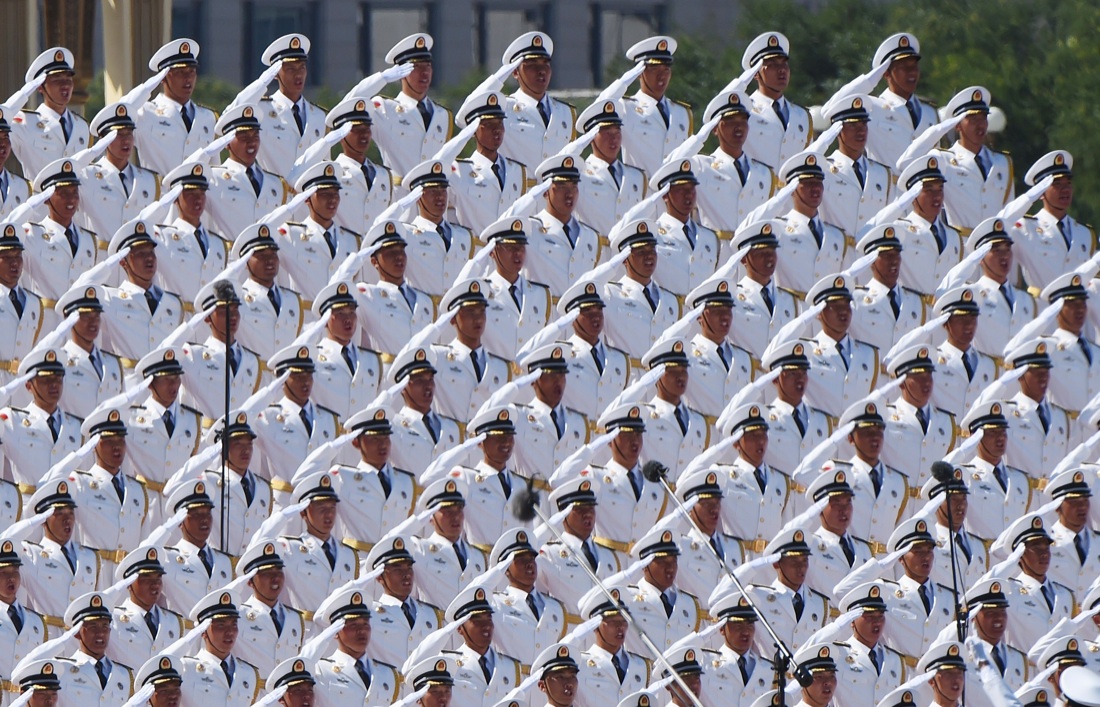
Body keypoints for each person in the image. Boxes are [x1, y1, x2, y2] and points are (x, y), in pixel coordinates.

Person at [252, 346, 340, 504]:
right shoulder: (267, 417)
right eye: (298, 377)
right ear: (282, 379)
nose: (305, 382)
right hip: (285, 501)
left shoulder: (328, 419)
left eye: (308, 376)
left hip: (318, 503)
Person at [68, 407, 147, 578]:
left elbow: (143, 542)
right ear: (94, 445)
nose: (117, 447)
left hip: (127, 576)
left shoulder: (138, 490)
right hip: (94, 572)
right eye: (110, 442)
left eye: (121, 441)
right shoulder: (80, 483)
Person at [126, 346, 201, 519]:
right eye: (167, 379)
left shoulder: (192, 420)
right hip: (145, 505)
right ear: (151, 383)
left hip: (178, 505)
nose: (173, 385)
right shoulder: (132, 419)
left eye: (176, 379)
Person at [329, 405, 415, 550]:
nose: (382, 445)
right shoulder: (343, 478)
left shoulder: (406, 482)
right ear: (356, 442)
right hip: (360, 562)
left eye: (385, 438)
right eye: (374, 439)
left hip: (392, 567)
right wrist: (332, 447)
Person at [693, 90, 775, 238]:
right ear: (715, 129)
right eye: (730, 122)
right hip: (717, 253)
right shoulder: (701, 167)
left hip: (752, 254)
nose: (738, 127)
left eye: (743, 121)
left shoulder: (764, 173)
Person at [370, 33, 452, 179]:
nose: (424, 73)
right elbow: (347, 109)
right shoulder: (384, 109)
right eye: (416, 67)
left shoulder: (443, 115)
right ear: (401, 73)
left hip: (433, 199)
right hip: (400, 197)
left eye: (428, 66)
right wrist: (381, 78)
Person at [180, 281, 264, 421]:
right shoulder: (193, 355)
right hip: (208, 438)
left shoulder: (251, 361)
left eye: (235, 310)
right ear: (207, 317)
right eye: (224, 311)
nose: (233, 317)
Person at [277, 472, 358, 617]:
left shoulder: (349, 555)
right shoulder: (290, 550)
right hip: (309, 635)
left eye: (332, 508)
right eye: (321, 508)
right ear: (303, 513)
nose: (328, 515)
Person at [431, 278, 511, 423]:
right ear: (452, 319)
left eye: (482, 312)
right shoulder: (438, 358)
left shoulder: (501, 367)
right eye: (470, 312)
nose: (478, 319)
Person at [717, 403, 792, 556]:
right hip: (737, 561)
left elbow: (786, 532)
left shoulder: (781, 482)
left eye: (763, 435)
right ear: (736, 443)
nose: (760, 442)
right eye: (752, 436)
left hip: (769, 566)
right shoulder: (724, 477)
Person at [536, 477, 621, 611]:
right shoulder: (549, 553)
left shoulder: (609, 555)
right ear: (563, 515)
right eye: (580, 510)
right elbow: (538, 596)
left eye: (591, 509)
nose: (588, 514)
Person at [276, 161, 360, 297]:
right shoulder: (291, 235)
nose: (332, 200)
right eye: (324, 194)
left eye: (335, 193)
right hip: (309, 316)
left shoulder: (352, 241)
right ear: (307, 199)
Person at [936, 87, 1014, 233]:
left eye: (983, 117)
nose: (980, 125)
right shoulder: (944, 160)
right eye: (972, 119)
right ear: (958, 125)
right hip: (961, 247)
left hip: (993, 247)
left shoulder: (1003, 162)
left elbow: (1009, 213)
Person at [591, 403, 666, 553]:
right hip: (609, 566)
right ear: (610, 440)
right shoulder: (597, 478)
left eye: (638, 434)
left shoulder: (656, 486)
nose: (635, 442)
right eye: (626, 435)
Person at [601, 219, 681, 361]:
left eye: (652, 250)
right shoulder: (609, 295)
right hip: (630, 379)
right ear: (625, 259)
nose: (649, 256)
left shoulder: (670, 301)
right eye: (640, 252)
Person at [955, 400, 1033, 544]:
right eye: (992, 432)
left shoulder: (1021, 479)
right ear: (975, 437)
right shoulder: (965, 477)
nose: (1000, 438)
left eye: (1003, 432)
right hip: (981, 559)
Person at [449, 91, 527, 235]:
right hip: (476, 253)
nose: (496, 130)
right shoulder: (458, 171)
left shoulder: (517, 170)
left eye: (500, 123)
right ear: (472, 131)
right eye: (488, 125)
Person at [21, 158, 98, 301]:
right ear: (46, 198)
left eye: (75, 192)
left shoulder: (89, 240)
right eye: (63, 193)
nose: (71, 199)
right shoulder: (32, 235)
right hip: (47, 320)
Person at [79, 102, 160, 240]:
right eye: (118, 135)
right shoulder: (87, 176)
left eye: (129, 134)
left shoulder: (149, 180)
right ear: (103, 139)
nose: (126, 140)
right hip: (103, 258)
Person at [21, 479, 100, 620]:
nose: (67, 519)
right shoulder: (32, 554)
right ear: (43, 519)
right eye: (59, 514)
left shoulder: (90, 556)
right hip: (51, 637)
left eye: (70, 513)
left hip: (79, 639)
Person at [881, 517, 956, 663]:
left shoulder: (948, 597)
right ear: (901, 558)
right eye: (917, 551)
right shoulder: (888, 593)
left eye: (929, 550)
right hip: (903, 677)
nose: (926, 556)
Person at [135, 38, 217, 172]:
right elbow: (118, 115)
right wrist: (145, 89)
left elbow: (214, 170)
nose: (188, 78)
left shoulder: (208, 118)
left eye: (191, 72)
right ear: (164, 78)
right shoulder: (145, 113)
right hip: (162, 192)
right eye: (180, 73)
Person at [205, 105, 286, 241]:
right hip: (230, 260)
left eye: (255, 136)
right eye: (243, 138)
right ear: (226, 143)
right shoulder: (212, 178)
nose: (251, 143)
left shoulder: (276, 184)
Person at [803, 273, 879, 418]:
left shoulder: (869, 354)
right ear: (819, 313)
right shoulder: (807, 353)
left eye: (846, 304)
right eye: (835, 306)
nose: (843, 311)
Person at [153, 161, 229, 305]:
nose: (198, 199)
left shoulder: (218, 244)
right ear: (175, 198)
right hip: (180, 321)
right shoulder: (163, 238)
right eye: (190, 193)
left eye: (201, 193)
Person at [880, 345, 955, 490]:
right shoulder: (885, 417)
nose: (926, 382)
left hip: (930, 505)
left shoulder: (946, 422)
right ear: (902, 382)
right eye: (918, 377)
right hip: (897, 503)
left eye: (929, 376)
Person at [488, 528, 567, 666]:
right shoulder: (495, 605)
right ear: (506, 568)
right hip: (514, 683)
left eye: (532, 558)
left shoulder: (555, 608)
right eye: (521, 560)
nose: (529, 563)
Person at [356, 220, 433, 360]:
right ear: (374, 262)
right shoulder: (368, 295)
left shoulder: (424, 300)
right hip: (389, 377)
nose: (398, 257)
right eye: (390, 252)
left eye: (401, 250)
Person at [511, 342, 588, 482]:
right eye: (551, 376)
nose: (558, 382)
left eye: (561, 376)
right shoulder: (520, 417)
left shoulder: (578, 422)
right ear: (534, 380)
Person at [361, 535, 441, 669]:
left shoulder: (431, 614)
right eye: (397, 569)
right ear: (380, 577)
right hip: (388, 688)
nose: (407, 574)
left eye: (409, 568)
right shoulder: (370, 614)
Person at [499, 32, 576, 171]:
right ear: (515, 72)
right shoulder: (503, 108)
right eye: (532, 64)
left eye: (546, 63)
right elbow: (463, 119)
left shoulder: (566, 113)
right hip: (519, 192)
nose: (541, 71)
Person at [311, 586, 401, 706]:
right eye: (353, 625)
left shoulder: (388, 674)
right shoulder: (320, 671)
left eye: (365, 624)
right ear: (335, 632)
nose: (361, 631)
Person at [400, 159, 476, 301]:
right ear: (417, 197)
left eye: (443, 190)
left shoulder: (464, 236)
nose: (440, 196)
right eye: (432, 191)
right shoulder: (406, 235)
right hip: (424, 316)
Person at [526, 154, 600, 298]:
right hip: (545, 316)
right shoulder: (530, 229)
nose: (569, 194)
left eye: (573, 187)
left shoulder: (590, 236)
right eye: (561, 187)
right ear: (545, 192)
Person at [819, 95, 893, 237]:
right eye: (852, 125)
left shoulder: (882, 173)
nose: (860, 131)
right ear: (838, 130)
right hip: (838, 254)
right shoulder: (824, 170)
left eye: (863, 124)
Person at [746, 528, 828, 655]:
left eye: (804, 560)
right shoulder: (758, 597)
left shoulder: (820, 604)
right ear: (776, 564)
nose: (801, 567)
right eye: (794, 561)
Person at [621, 527, 702, 655]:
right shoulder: (628, 599)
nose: (670, 568)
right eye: (662, 562)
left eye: (673, 561)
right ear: (645, 565)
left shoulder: (689, 603)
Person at [480, 216, 552, 361]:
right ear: (493, 252)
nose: (517, 253)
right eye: (510, 248)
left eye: (521, 248)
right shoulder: (482, 293)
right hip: (497, 380)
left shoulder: (541, 295)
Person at [409, 478, 487, 609]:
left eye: (459, 510)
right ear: (431, 517)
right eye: (447, 512)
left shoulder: (478, 556)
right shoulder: (420, 549)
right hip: (439, 627)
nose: (455, 517)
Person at [11, 48, 90, 178]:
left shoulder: (81, 126)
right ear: (40, 87)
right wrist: (22, 95)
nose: (65, 85)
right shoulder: (24, 122)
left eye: (68, 79)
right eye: (57, 80)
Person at [202, 412, 273, 557]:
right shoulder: (209, 483)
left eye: (249, 444)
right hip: (221, 569)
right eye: (238, 444)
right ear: (223, 447)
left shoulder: (264, 488)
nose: (246, 450)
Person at [683, 277, 754, 421]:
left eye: (728, 310)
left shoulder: (743, 358)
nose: (725, 317)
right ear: (699, 316)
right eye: (717, 311)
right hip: (703, 437)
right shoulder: (687, 356)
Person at [387, 346, 464, 480]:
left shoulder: (452, 428)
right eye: (419, 381)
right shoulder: (393, 426)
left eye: (430, 379)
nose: (428, 386)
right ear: (403, 387)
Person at [558, 279, 631, 419]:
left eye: (599, 310)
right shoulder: (562, 356)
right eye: (587, 311)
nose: (596, 317)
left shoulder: (620, 360)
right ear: (571, 318)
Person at [672, 468, 744, 609]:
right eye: (706, 504)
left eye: (716, 503)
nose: (714, 509)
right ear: (690, 508)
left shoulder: (735, 547)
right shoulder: (680, 547)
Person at [256, 33, 326, 178]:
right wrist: (260, 85)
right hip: (276, 198)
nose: (298, 75)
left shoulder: (319, 116)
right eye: (290, 69)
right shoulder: (261, 110)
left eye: (302, 68)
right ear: (275, 74)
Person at [1000, 514, 1074, 652]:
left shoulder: (1065, 595)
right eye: (1036, 547)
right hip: (1024, 671)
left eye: (1046, 547)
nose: (1044, 554)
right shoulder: (1008, 591)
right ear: (1020, 553)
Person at [619, 36, 691, 175]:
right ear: (639, 73)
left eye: (666, 70)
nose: (661, 76)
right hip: (643, 195)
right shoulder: (626, 108)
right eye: (654, 69)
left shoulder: (682, 113)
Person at [1002, 338, 1073, 477]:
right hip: (1021, 495)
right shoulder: (1007, 414)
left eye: (1046, 371)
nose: (1043, 378)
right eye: (1036, 372)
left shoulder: (1060, 416)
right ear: (1020, 375)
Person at [762, 340, 832, 482]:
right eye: (792, 374)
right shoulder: (765, 420)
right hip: (780, 498)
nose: (800, 380)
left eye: (803, 373)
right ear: (775, 378)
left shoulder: (822, 421)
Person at [730, 219, 800, 361]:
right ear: (744, 259)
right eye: (761, 253)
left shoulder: (789, 301)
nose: (769, 258)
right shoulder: (733, 298)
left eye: (772, 252)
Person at [849, 225, 926, 354]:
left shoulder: (916, 302)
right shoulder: (856, 300)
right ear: (871, 261)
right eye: (886, 256)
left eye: (897, 255)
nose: (894, 261)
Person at [160, 480, 233, 615]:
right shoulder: (167, 558)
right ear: (180, 521)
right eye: (196, 515)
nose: (204, 520)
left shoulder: (225, 561)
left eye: (207, 514)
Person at [444, 584, 525, 707]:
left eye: (488, 619)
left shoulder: (511, 667)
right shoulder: (449, 664)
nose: (486, 625)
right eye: (477, 621)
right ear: (460, 628)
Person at [896, 154, 964, 299]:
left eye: (940, 189)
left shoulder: (954, 237)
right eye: (928, 190)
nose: (937, 196)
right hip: (912, 314)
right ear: (913, 195)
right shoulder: (900, 231)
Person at [231, 542, 304, 677]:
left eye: (278, 571)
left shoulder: (295, 618)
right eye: (266, 573)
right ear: (250, 581)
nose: (275, 578)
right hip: (253, 694)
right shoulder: (238, 616)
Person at [574, 99, 646, 236]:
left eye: (617, 132)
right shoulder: (579, 176)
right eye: (606, 132)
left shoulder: (636, 177)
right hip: (595, 254)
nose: (613, 139)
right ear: (591, 137)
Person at [865, 33, 937, 168]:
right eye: (904, 67)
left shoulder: (930, 112)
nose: (912, 72)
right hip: (890, 187)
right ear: (886, 72)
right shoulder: (872, 108)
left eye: (914, 66)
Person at [233, 224, 304, 360]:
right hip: (255, 378)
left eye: (273, 254)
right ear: (246, 262)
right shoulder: (238, 299)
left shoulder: (293, 300)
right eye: (261, 256)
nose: (269, 260)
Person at [179, 590, 262, 706]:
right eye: (221, 625)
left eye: (234, 624)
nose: (230, 632)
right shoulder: (186, 668)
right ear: (203, 631)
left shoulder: (249, 673)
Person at [107, 547, 185, 670]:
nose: (155, 584)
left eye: (158, 578)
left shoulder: (174, 621)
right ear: (129, 584)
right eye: (146, 578)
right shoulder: (113, 619)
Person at [830, 582, 906, 707]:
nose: (877, 622)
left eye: (880, 616)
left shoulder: (896, 660)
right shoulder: (838, 654)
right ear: (852, 620)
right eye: (869, 616)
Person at [741, 32, 810, 170]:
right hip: (758, 189)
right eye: (772, 65)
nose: (781, 70)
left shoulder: (802, 116)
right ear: (755, 73)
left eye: (784, 64)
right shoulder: (744, 111)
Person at [802, 467, 872, 601]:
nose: (844, 510)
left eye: (848, 502)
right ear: (820, 508)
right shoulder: (810, 545)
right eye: (836, 504)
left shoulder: (864, 550)